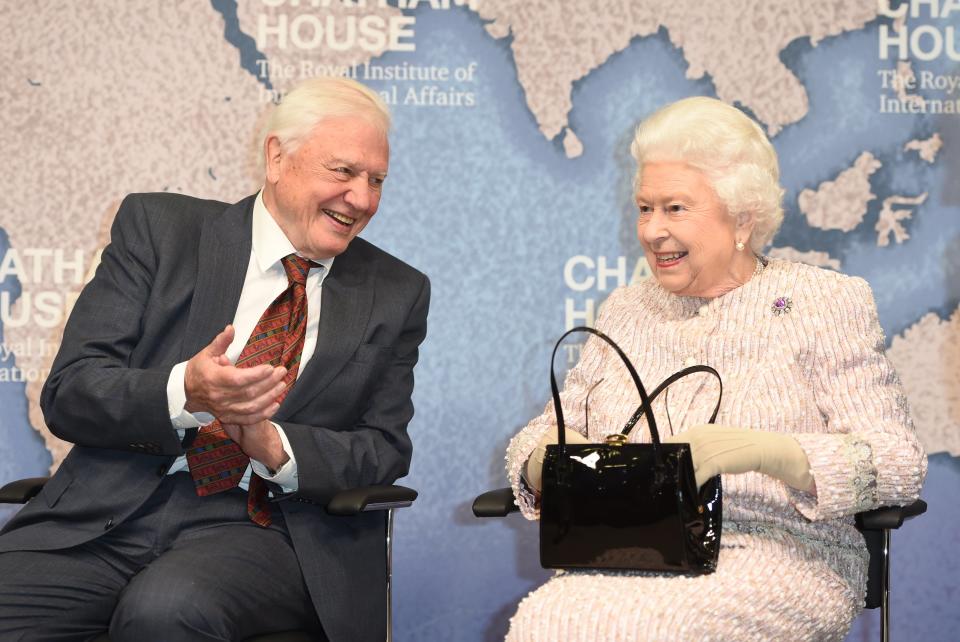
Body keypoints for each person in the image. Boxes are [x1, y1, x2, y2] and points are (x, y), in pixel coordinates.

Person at [0, 77, 430, 641]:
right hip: (111, 512)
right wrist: (186, 394)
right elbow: (72, 392)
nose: (364, 199)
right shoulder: (160, 231)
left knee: (164, 610)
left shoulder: (396, 291)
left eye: (376, 181)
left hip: (263, 527)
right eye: (343, 172)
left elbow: (383, 447)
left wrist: (277, 446)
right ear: (277, 157)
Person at [505, 96, 926, 641]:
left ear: (742, 219)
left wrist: (767, 452)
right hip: (630, 556)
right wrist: (546, 455)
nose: (652, 230)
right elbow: (543, 434)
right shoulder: (624, 311)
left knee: (654, 629)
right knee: (546, 620)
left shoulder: (822, 301)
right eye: (644, 208)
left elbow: (898, 462)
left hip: (780, 556)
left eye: (675, 208)